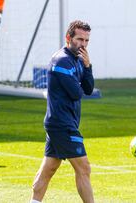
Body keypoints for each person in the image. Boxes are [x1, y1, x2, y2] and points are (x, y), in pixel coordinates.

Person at [30, 20, 95, 203]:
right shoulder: (61, 60)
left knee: (49, 168)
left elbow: (88, 89)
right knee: (84, 168)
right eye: (79, 39)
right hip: (62, 124)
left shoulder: (79, 60)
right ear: (68, 38)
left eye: (86, 41)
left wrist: (88, 66)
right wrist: (80, 82)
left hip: (63, 122)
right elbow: (76, 93)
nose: (83, 44)